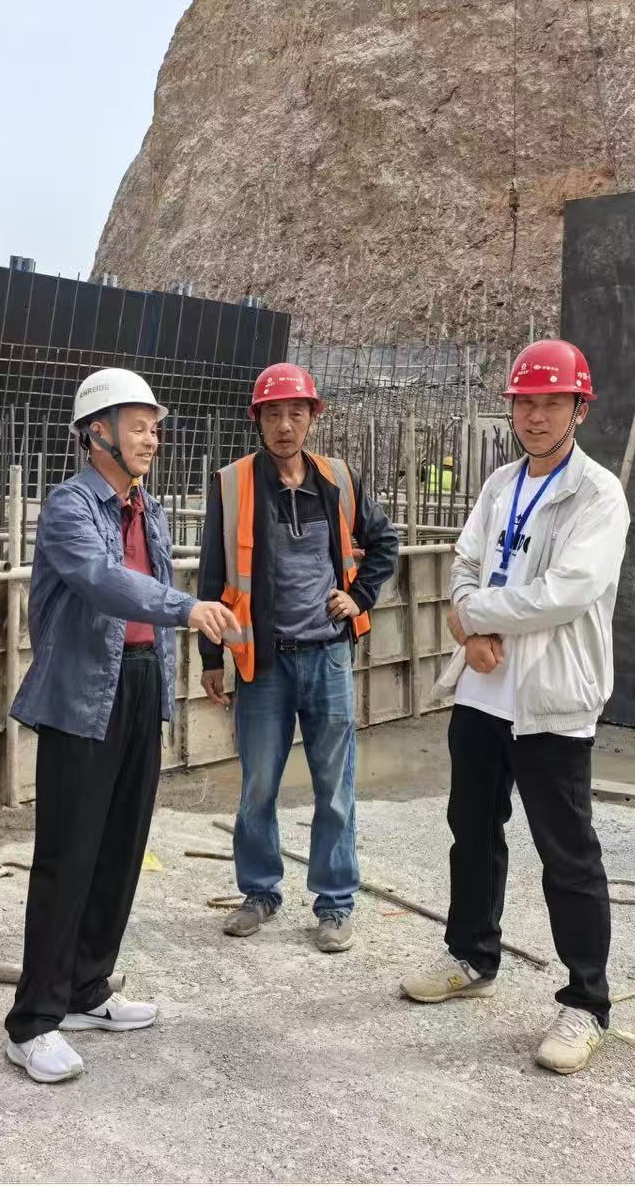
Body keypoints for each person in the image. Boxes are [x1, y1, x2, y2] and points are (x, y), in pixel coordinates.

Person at [399, 338, 630, 1077]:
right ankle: (470, 954)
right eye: (525, 402)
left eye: (551, 402)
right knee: (471, 828)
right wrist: (468, 622)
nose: (535, 416)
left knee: (567, 850)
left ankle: (586, 1002)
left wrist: (475, 617)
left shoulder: (598, 495)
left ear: (579, 408)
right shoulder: (500, 483)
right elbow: (466, 562)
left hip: (550, 698)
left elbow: (566, 591)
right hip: (482, 689)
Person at [4, 367, 239, 1084]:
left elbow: (144, 591)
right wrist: (186, 607)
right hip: (82, 696)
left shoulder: (148, 507)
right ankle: (32, 1022)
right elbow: (103, 580)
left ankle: (87, 989)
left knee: (120, 847)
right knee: (68, 855)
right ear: (96, 432)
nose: (151, 439)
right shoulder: (70, 507)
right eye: (137, 426)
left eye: (154, 427)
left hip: (138, 683)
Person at [197, 363, 399, 953]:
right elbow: (212, 574)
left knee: (334, 788)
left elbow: (384, 543)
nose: (284, 425)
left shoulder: (339, 479)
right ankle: (259, 892)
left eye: (296, 413)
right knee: (258, 784)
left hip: (328, 658)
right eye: (273, 414)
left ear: (313, 417)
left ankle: (334, 904)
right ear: (257, 420)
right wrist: (211, 656)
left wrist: (359, 597)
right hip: (263, 663)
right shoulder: (232, 484)